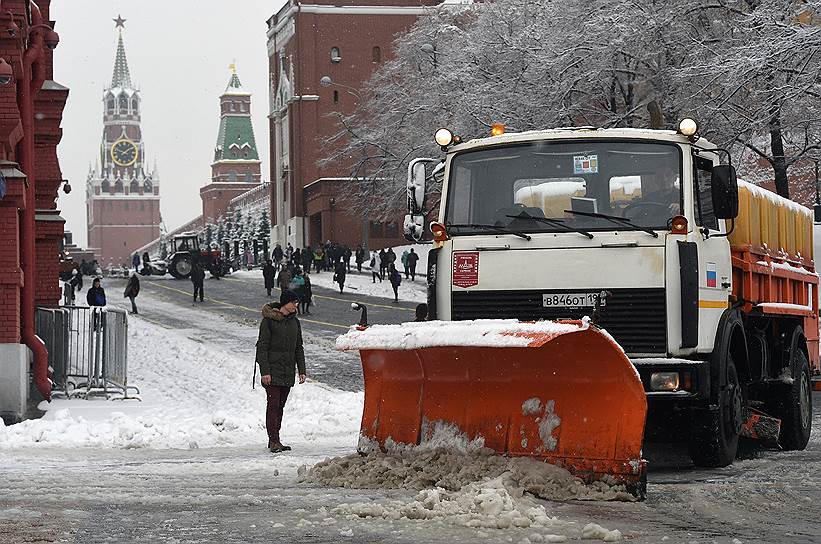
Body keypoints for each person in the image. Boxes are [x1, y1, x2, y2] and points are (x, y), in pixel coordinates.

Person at [256, 290, 306, 453]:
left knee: (280, 406)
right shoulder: (268, 321)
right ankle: (273, 440)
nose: (296, 305)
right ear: (286, 303)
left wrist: (302, 369)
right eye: (294, 302)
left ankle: (277, 439)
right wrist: (265, 371)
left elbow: (299, 347)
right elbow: (262, 348)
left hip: (287, 370)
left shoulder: (295, 322)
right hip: (272, 370)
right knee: (273, 404)